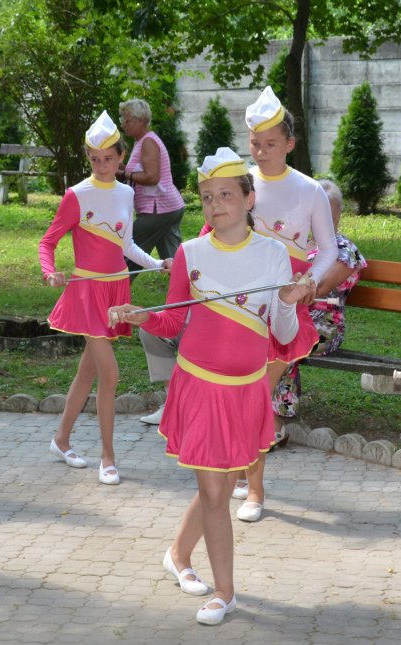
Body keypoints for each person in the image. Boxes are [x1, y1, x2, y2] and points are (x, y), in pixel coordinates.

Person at [109, 147, 311, 625]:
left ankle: (178, 554)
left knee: (220, 483)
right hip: (199, 386)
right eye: (206, 197)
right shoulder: (191, 253)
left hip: (247, 389)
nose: (216, 204)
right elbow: (172, 320)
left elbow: (283, 335)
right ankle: (225, 592)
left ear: (248, 198)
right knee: (217, 493)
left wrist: (287, 301)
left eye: (225, 194)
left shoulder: (274, 255)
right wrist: (142, 316)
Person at [39, 111, 170, 485]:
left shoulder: (127, 193)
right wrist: (50, 272)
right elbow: (48, 242)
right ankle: (108, 458)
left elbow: (126, 245)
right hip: (86, 293)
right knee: (110, 373)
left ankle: (61, 440)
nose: (101, 165)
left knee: (89, 372)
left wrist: (157, 263)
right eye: (95, 159)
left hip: (116, 290)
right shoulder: (76, 195)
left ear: (121, 156)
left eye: (108, 158)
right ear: (88, 157)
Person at [230, 87, 337, 522]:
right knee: (243, 392)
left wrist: (310, 279)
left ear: (290, 144)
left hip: (285, 306)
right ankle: (242, 472)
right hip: (241, 303)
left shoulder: (309, 190)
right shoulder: (240, 182)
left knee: (258, 393)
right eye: (255, 143)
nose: (261, 151)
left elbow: (328, 248)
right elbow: (215, 231)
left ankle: (254, 491)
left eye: (271, 144)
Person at [271, 179, 368, 422]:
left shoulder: (345, 249)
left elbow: (320, 287)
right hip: (295, 317)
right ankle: (260, 407)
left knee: (285, 340)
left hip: (324, 327)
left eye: (327, 209)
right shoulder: (299, 244)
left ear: (338, 212)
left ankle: (276, 414)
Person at [117, 99, 186, 276]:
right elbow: (139, 170)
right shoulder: (142, 141)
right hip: (169, 208)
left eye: (127, 120)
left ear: (140, 120)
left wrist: (125, 174)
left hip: (158, 210)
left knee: (128, 252)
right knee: (175, 262)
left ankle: (116, 286)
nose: (123, 124)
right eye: (122, 119)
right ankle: (190, 288)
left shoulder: (148, 142)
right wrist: (117, 167)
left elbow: (152, 177)